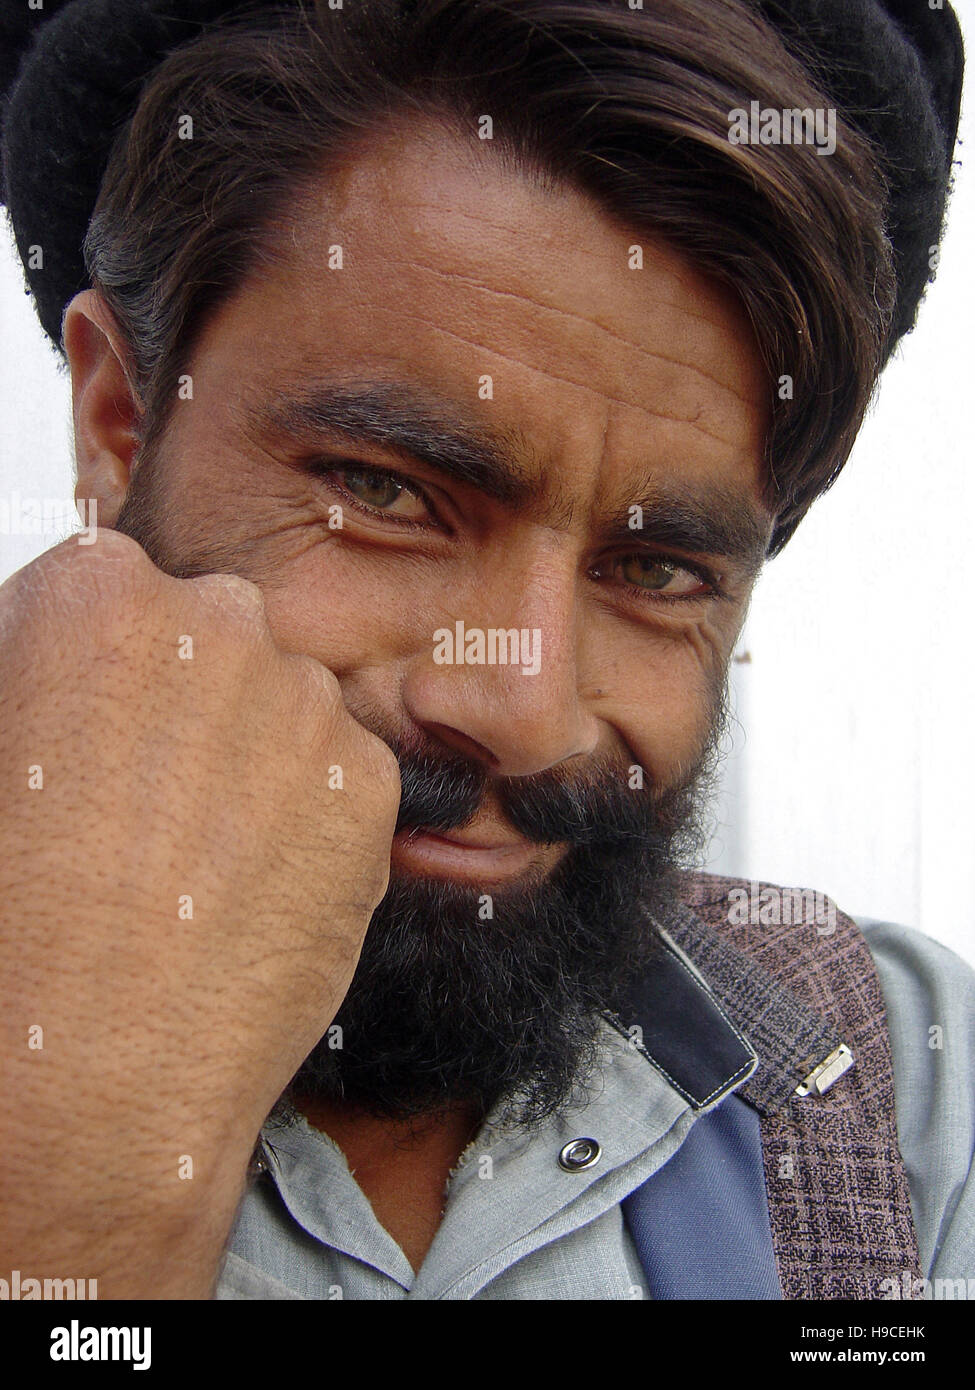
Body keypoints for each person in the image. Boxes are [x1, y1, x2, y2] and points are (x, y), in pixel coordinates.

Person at [0, 0, 971, 1301]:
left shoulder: (901, 1096)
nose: (523, 706)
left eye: (658, 569)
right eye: (389, 492)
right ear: (120, 433)